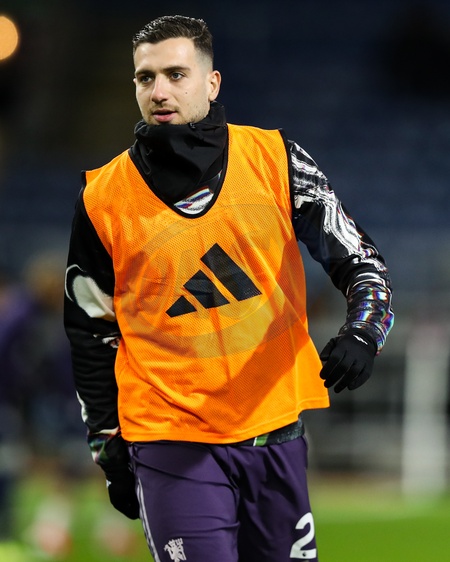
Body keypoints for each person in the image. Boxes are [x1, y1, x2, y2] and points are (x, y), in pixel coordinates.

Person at [64, 15, 394, 562]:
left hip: (275, 434)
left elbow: (362, 262)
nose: (159, 91)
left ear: (212, 82)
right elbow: (90, 333)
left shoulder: (278, 160)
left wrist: (364, 333)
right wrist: (108, 450)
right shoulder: (101, 198)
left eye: (176, 74)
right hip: (170, 442)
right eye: (145, 78)